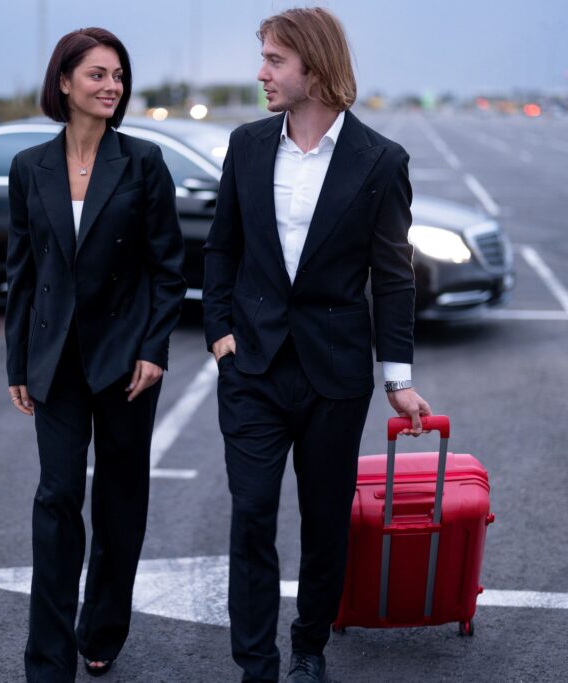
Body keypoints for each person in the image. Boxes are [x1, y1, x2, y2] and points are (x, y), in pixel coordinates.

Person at [202, 8, 432, 683]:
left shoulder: (379, 161)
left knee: (325, 519)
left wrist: (398, 376)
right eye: (263, 57)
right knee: (250, 514)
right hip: (252, 367)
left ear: (315, 67)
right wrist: (221, 337)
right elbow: (221, 249)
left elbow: (393, 278)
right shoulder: (245, 145)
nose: (261, 72)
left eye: (275, 59)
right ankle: (256, 663)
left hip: (334, 374)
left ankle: (309, 645)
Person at [4, 27, 185, 682]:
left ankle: (103, 626)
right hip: (54, 360)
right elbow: (22, 273)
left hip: (126, 360)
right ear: (63, 83)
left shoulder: (143, 164)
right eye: (97, 75)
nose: (111, 86)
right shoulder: (30, 167)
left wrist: (154, 348)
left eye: (118, 76)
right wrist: (17, 361)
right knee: (56, 498)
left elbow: (169, 269)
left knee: (118, 498)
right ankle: (47, 659)